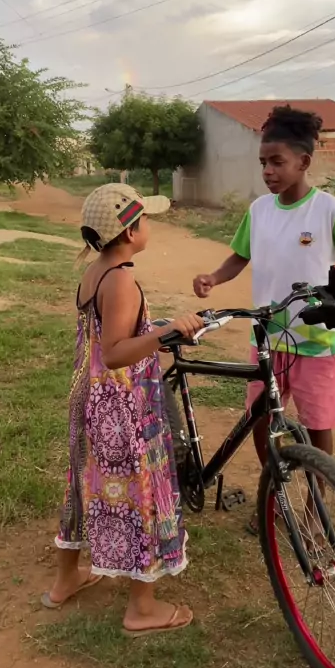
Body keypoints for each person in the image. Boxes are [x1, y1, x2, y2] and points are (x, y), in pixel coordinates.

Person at [193, 105, 335, 535]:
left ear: (304, 161)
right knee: (260, 422)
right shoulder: (259, 211)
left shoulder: (331, 211)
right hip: (266, 340)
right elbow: (239, 257)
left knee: (318, 427)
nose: (268, 170)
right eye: (263, 162)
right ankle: (277, 496)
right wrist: (214, 277)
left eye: (277, 161)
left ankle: (316, 505)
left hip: (316, 342)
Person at [43, 183, 203, 635]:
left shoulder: (96, 270)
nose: (149, 225)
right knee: (140, 493)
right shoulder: (122, 278)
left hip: (89, 397)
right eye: (145, 219)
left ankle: (66, 580)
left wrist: (154, 332)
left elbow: (106, 337)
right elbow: (115, 353)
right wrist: (168, 332)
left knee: (82, 484)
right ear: (130, 231)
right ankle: (142, 608)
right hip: (121, 407)